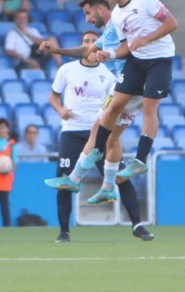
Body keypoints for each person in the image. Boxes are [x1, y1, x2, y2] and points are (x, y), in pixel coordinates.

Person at [44, 31, 154, 242]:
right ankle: (64, 231)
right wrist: (60, 110)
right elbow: (53, 96)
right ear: (81, 46)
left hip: (100, 132)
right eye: (86, 41)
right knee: (64, 181)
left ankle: (138, 225)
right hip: (72, 131)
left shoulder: (109, 73)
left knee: (120, 176)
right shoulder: (67, 69)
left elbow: (117, 103)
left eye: (94, 42)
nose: (90, 45)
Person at [42, 0, 145, 204]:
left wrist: (112, 55)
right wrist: (56, 50)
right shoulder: (108, 32)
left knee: (98, 130)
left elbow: (134, 48)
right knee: (111, 137)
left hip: (129, 84)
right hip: (130, 87)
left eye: (88, 13)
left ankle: (75, 179)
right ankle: (107, 187)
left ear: (100, 8)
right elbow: (86, 50)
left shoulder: (119, 24)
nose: (88, 19)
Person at [89, 0, 178, 183]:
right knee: (115, 105)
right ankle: (97, 150)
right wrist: (108, 54)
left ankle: (139, 161)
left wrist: (146, 39)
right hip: (136, 62)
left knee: (149, 107)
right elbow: (124, 47)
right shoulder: (118, 16)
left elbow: (172, 24)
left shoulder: (146, 0)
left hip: (160, 60)